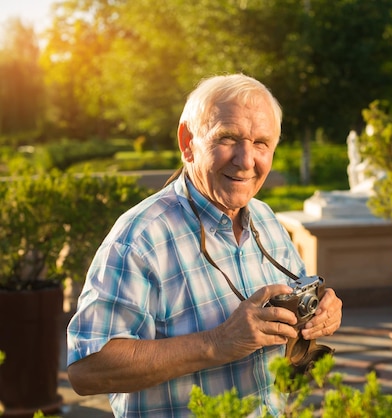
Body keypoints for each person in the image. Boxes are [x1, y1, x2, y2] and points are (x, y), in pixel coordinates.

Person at [66, 74, 343, 417]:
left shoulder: (266, 219)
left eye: (261, 143)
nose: (246, 160)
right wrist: (218, 343)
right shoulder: (140, 237)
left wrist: (319, 315)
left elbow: (293, 305)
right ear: (188, 142)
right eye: (228, 138)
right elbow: (87, 370)